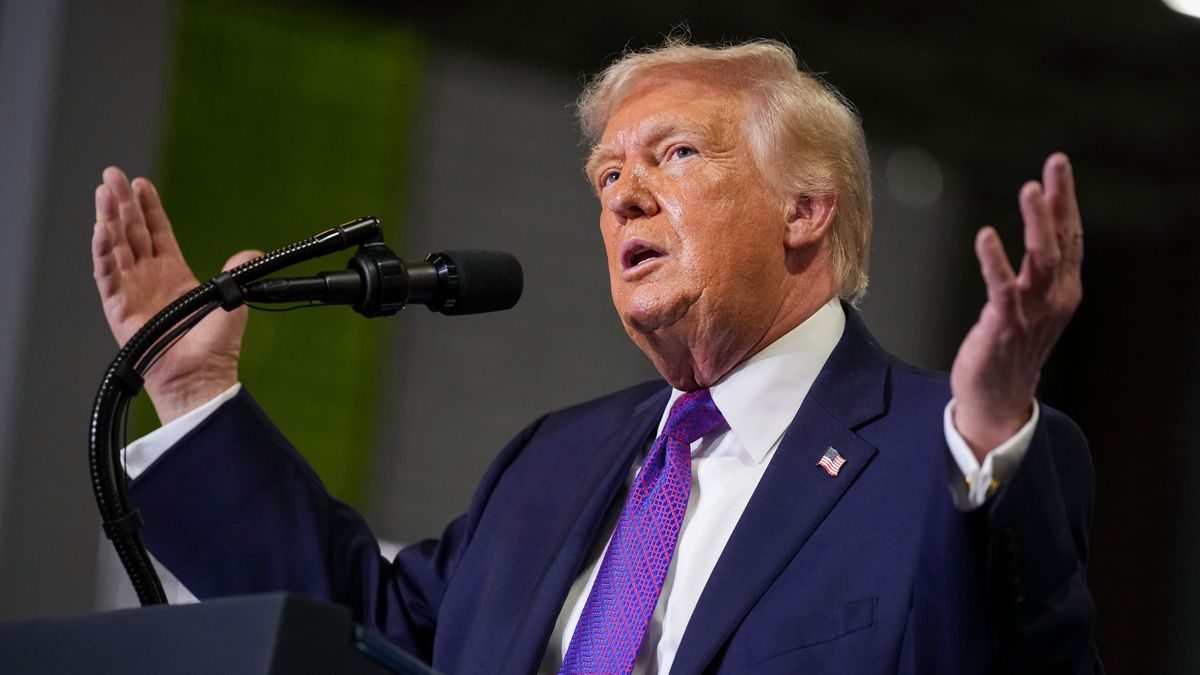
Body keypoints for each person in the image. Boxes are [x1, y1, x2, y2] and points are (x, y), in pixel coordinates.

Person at [92, 39, 1099, 673]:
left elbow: (1023, 637)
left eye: (675, 155)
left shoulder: (944, 455)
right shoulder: (552, 464)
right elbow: (361, 629)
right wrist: (193, 391)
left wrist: (991, 426)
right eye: (608, 172)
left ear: (805, 209)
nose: (622, 195)